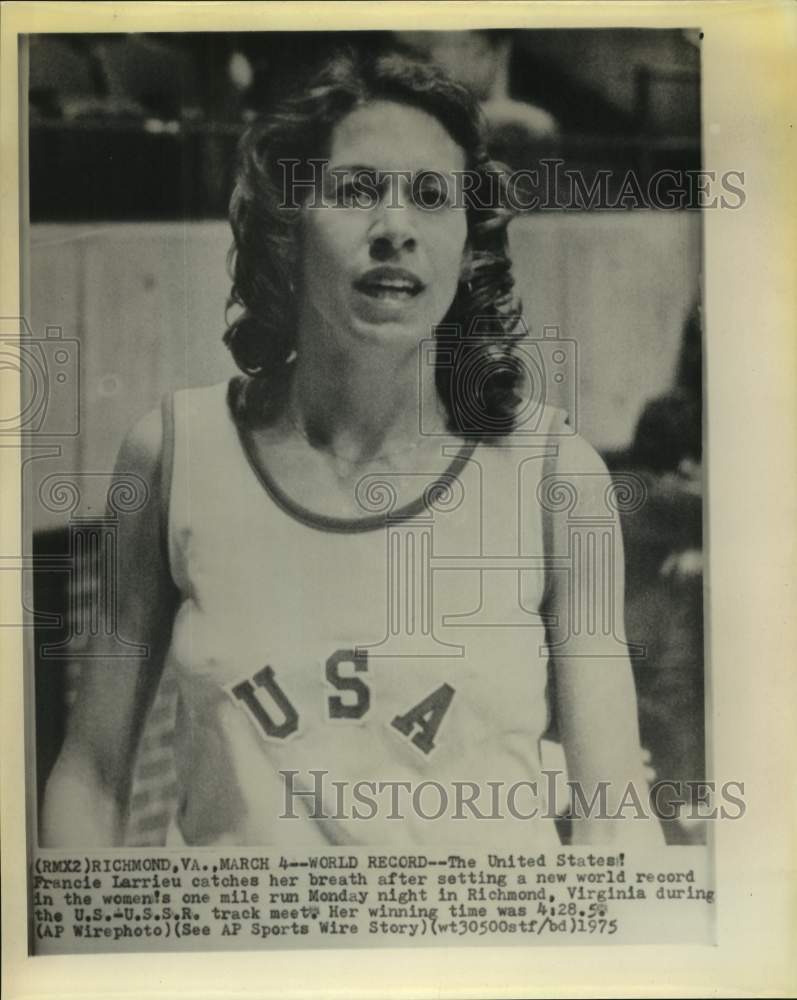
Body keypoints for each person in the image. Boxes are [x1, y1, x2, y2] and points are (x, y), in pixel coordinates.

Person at [42, 49, 656, 848]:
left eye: (431, 198)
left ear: (468, 243)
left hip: (476, 966)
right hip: (246, 967)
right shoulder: (174, 453)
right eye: (356, 190)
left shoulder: (553, 474)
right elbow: (90, 774)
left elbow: (614, 810)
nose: (394, 228)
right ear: (288, 227)